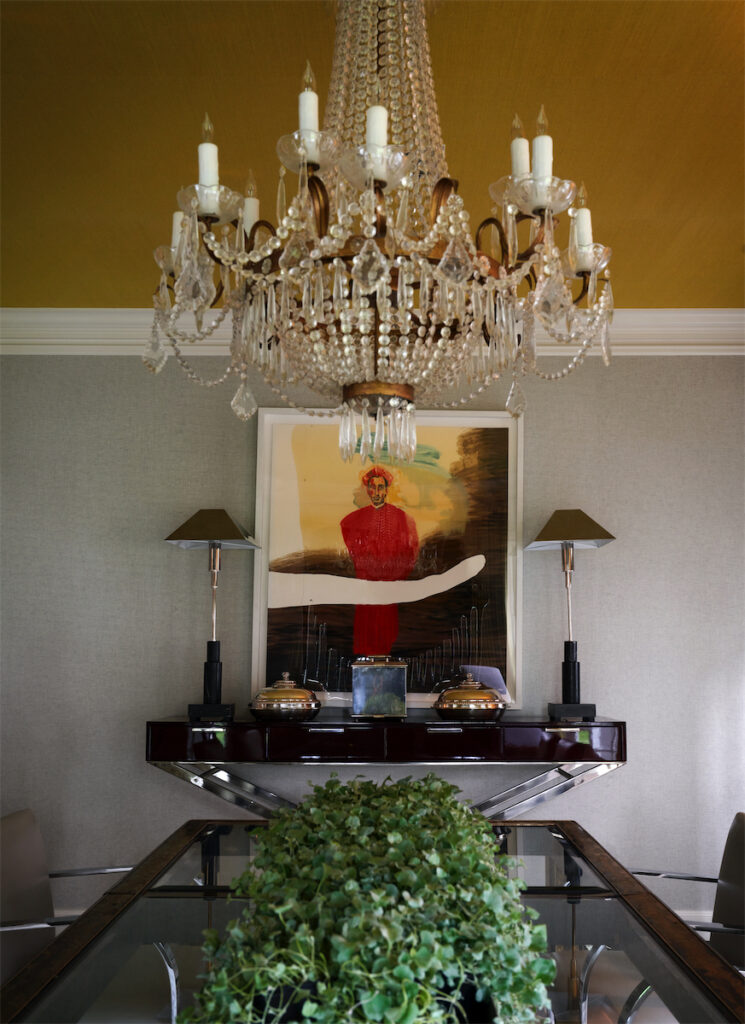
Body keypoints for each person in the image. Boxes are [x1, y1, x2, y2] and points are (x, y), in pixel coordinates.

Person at [340, 465, 419, 655]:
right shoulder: (352, 520)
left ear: (386, 489)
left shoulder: (402, 519)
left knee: (388, 629)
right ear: (367, 489)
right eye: (372, 487)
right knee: (365, 630)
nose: (376, 492)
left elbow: (410, 554)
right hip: (366, 587)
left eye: (380, 487)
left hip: (389, 587)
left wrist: (393, 575)